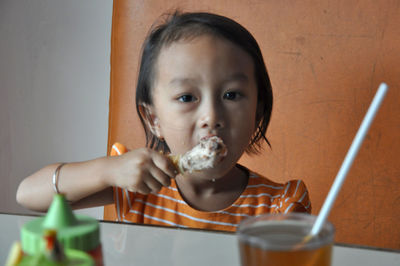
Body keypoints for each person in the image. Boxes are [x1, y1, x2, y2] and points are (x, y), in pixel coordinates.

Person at [17, 11, 311, 232]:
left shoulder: (280, 205)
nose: (211, 117)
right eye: (187, 98)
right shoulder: (136, 184)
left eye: (232, 95)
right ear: (153, 119)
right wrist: (108, 171)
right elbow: (29, 195)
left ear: (257, 112)